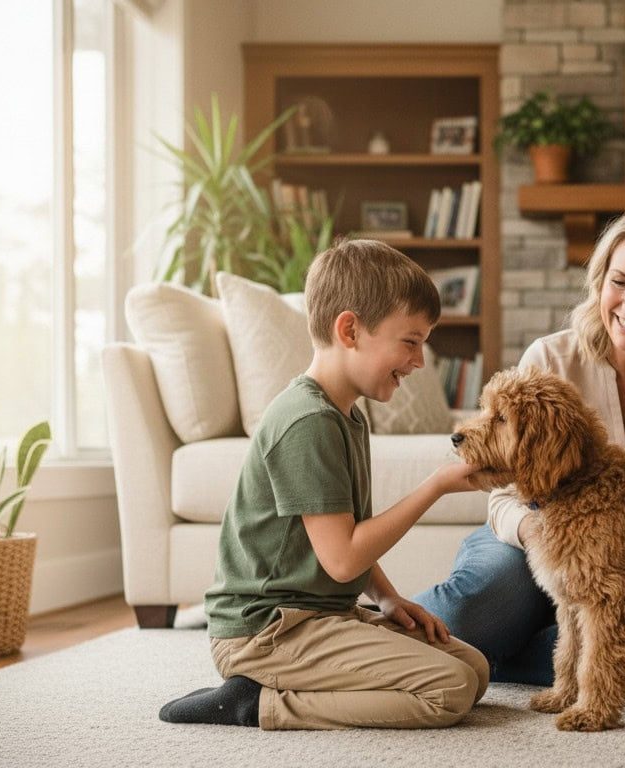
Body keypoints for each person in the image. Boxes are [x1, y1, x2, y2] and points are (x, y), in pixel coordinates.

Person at [159, 240, 490, 729]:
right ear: (350, 329)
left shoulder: (347, 416)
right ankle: (257, 703)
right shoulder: (307, 421)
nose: (419, 361)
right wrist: (436, 485)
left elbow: (343, 531)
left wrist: (387, 598)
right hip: (265, 632)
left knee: (475, 670)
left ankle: (284, 686)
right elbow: (342, 559)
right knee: (450, 689)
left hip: (317, 617)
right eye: (411, 341)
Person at [415, 202, 625, 690]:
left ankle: (494, 658)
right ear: (600, 281)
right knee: (466, 614)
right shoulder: (550, 356)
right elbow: (504, 493)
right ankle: (439, 640)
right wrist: (542, 537)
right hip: (530, 534)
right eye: (619, 282)